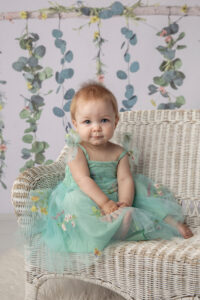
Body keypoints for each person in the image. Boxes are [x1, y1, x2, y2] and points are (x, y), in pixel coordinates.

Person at [27, 81, 193, 272]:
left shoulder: (119, 152)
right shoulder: (77, 150)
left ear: (116, 121)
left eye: (104, 120)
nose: (96, 128)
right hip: (88, 196)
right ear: (75, 124)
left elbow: (125, 179)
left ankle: (169, 223)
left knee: (139, 189)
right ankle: (112, 229)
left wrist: (124, 202)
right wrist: (105, 203)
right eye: (87, 122)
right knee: (75, 201)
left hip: (115, 197)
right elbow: (83, 180)